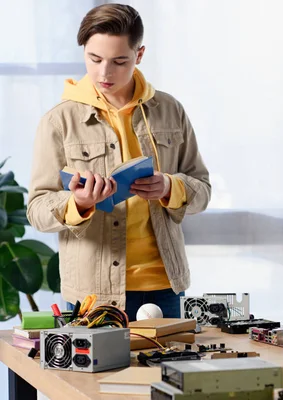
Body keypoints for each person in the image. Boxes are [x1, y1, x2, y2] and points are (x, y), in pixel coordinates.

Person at [27, 4, 211, 322]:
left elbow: (203, 190)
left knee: (164, 373)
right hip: (92, 294)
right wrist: (78, 203)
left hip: (165, 288)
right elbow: (38, 210)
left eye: (119, 61)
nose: (104, 73)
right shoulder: (58, 121)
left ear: (139, 55)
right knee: (96, 373)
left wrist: (170, 186)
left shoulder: (170, 110)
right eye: (94, 59)